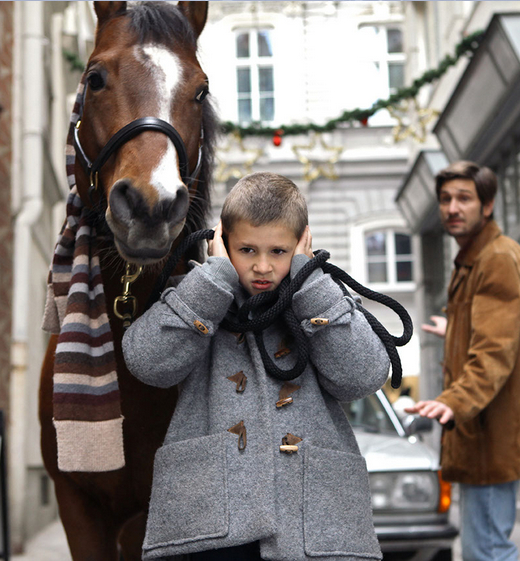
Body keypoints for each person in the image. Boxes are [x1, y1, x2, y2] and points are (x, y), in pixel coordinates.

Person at [122, 172, 390, 561]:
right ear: (222, 240)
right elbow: (147, 362)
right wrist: (213, 279)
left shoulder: (321, 297)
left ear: (302, 243)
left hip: (313, 525)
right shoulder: (198, 293)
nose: (262, 266)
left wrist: (310, 285)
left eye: (278, 252)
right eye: (247, 250)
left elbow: (364, 376)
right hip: (209, 525)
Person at [407, 161, 520, 561]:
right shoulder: (477, 256)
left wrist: (452, 401)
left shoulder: (495, 258)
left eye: (464, 198)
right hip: (486, 431)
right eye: (445, 199)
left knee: (488, 551)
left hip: (492, 433)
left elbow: (496, 353)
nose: (452, 208)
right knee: (486, 547)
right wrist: (457, 330)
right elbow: (500, 331)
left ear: (488, 205)